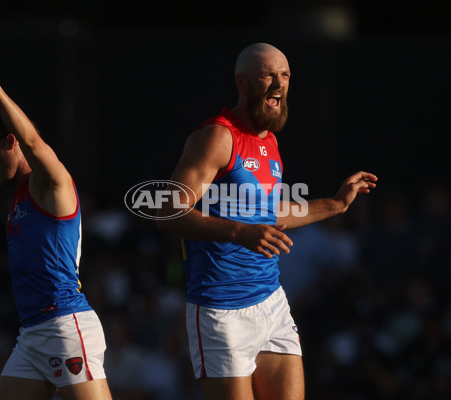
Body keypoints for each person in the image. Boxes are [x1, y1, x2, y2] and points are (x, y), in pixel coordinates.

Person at [156, 43, 378, 400]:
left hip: (271, 302)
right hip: (220, 310)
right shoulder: (217, 136)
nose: (279, 83)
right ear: (243, 84)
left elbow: (268, 216)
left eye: (285, 75)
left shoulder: (270, 142)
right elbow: (166, 210)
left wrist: (335, 204)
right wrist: (238, 232)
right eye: (268, 75)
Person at [0, 69, 112, 400]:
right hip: (32, 333)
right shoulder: (18, 197)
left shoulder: (49, 182)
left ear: (10, 142)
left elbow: (33, 142)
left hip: (65, 325)